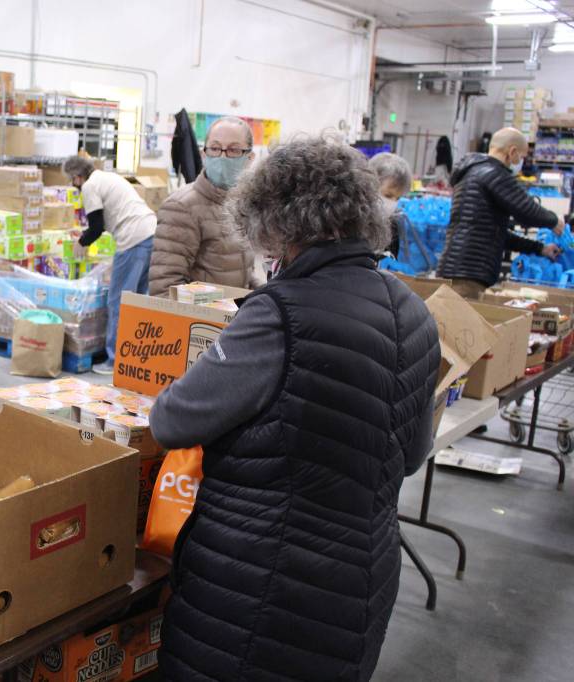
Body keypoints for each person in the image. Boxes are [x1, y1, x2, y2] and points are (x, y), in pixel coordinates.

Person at [149, 136, 440, 682]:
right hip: (361, 583)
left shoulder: (281, 315)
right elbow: (411, 454)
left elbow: (172, 420)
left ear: (278, 222)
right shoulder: (414, 313)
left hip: (256, 591)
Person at [437, 127, 563, 298]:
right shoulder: (494, 173)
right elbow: (526, 210)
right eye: (521, 156)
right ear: (512, 151)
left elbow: (496, 233)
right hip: (469, 272)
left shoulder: (473, 172)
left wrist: (540, 248)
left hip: (456, 267)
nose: (520, 162)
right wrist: (554, 221)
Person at [149, 117, 264, 295]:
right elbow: (165, 288)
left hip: (232, 317)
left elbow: (240, 270)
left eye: (233, 150)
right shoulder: (182, 207)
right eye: (215, 148)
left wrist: (260, 294)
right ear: (204, 155)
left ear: (249, 158)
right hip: (202, 320)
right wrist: (216, 311)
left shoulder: (242, 204)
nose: (222, 157)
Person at [63, 156, 156, 375]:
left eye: (72, 180)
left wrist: (82, 242)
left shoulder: (89, 186)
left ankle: (114, 360)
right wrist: (85, 235)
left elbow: (96, 227)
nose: (73, 185)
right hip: (151, 232)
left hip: (132, 238)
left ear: (77, 177)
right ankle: (134, 355)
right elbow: (104, 221)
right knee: (137, 300)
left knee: (118, 300)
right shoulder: (106, 177)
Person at [369, 151, 413, 259]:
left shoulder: (392, 226)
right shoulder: (350, 221)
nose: (392, 203)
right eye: (388, 195)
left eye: (397, 198)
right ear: (369, 185)